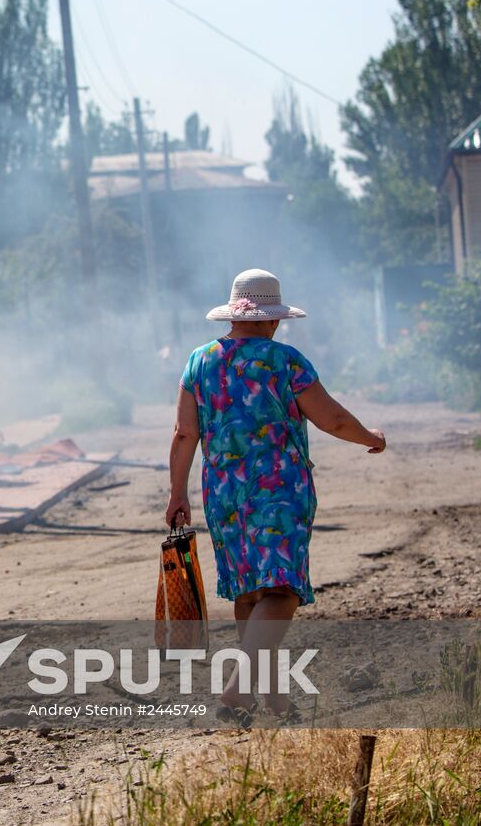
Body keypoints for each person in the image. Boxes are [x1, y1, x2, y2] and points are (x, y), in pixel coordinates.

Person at [165, 268, 386, 725]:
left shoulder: (199, 362)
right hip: (279, 493)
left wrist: (176, 492)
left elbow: (185, 432)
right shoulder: (285, 361)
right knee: (281, 590)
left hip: (223, 494)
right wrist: (371, 436)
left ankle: (276, 701)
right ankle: (236, 692)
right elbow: (333, 419)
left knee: (249, 594)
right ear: (272, 319)